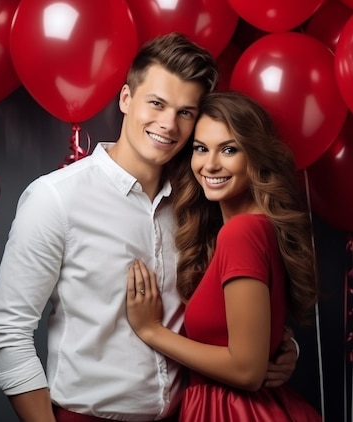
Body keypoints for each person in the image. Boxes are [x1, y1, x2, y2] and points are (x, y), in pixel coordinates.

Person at [0, 33, 298, 422]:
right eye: (156, 103)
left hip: (191, 414)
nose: (168, 125)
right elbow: (8, 335)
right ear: (126, 99)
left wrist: (285, 349)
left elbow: (230, 309)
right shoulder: (56, 199)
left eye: (185, 112)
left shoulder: (202, 199)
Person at [126, 91, 322, 421]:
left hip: (234, 411)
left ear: (255, 155)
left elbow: (247, 371)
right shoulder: (258, 227)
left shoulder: (240, 233)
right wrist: (288, 348)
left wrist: (151, 331)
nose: (210, 164)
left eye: (229, 149)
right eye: (201, 148)